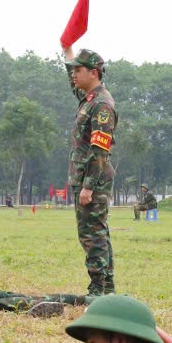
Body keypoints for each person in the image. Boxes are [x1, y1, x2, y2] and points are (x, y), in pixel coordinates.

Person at [63, 47, 119, 295]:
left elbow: (99, 150)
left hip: (93, 181)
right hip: (85, 178)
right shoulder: (89, 99)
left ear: (93, 73)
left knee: (92, 235)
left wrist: (88, 186)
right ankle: (106, 287)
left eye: (78, 70)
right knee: (95, 232)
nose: (74, 74)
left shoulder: (102, 105)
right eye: (72, 69)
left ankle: (99, 288)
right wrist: (67, 51)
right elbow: (73, 84)